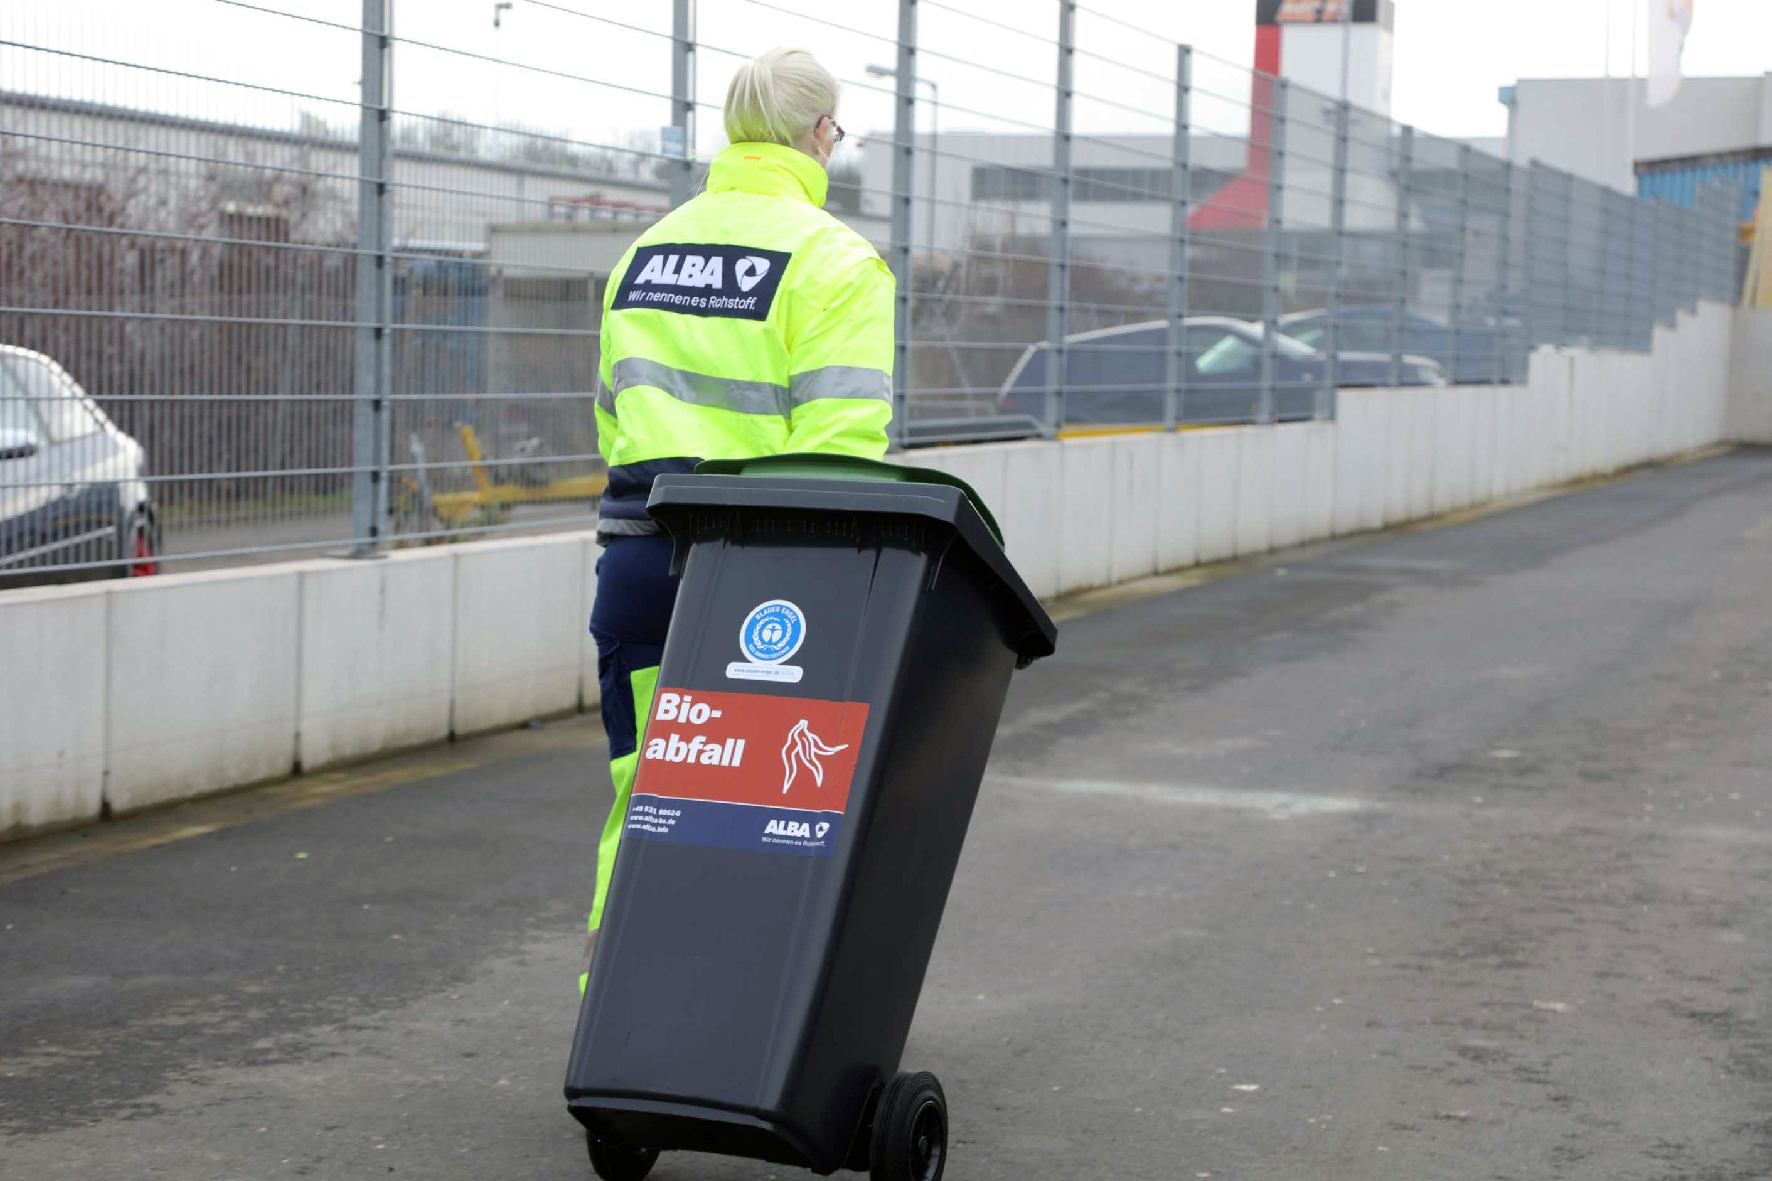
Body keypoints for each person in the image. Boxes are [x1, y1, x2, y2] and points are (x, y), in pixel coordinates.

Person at [581, 48, 895, 992]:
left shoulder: (647, 252)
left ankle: (618, 1013)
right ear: (817, 135)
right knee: (775, 805)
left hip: (639, 568)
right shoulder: (836, 260)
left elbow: (612, 416)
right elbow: (842, 452)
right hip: (772, 583)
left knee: (646, 792)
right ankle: (750, 1018)